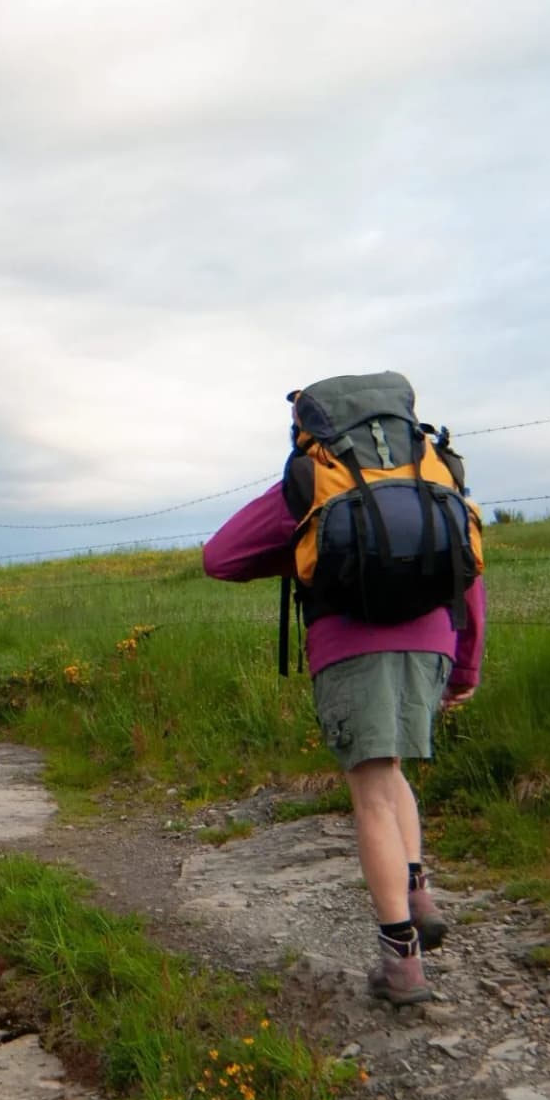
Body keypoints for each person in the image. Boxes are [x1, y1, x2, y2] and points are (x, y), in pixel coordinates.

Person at [203, 373, 485, 1006]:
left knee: (372, 794)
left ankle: (401, 966)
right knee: (394, 774)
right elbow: (471, 572)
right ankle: (418, 894)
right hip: (432, 641)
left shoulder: (313, 478)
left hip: (351, 647)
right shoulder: (434, 470)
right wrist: (465, 666)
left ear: (314, 426)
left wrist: (300, 544)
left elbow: (218, 558)